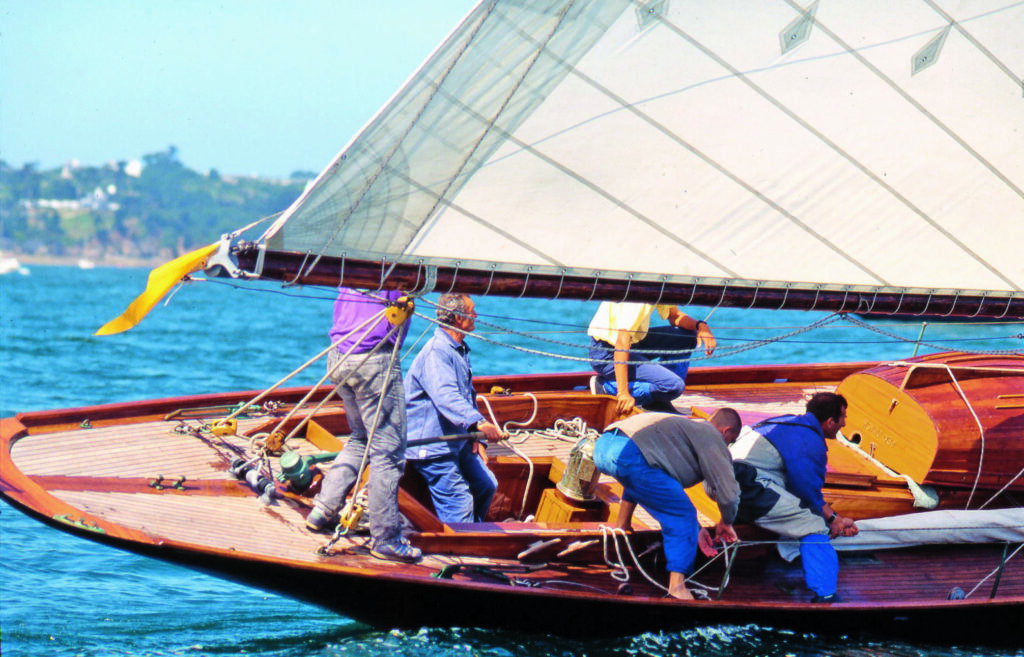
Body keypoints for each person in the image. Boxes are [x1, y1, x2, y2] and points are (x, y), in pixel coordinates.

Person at [306, 287, 422, 563]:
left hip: (339, 356)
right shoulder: (397, 270)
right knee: (388, 452)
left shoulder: (363, 273)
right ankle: (386, 540)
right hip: (373, 359)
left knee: (361, 438)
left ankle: (322, 510)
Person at [592, 409, 742, 600]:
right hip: (630, 455)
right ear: (726, 431)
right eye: (731, 440)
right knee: (683, 515)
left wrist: (696, 528)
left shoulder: (685, 427)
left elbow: (645, 479)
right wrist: (726, 522)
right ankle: (677, 588)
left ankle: (622, 525)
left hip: (604, 446)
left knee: (640, 477)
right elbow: (729, 494)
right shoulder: (712, 436)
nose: (728, 445)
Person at [730, 391, 859, 602]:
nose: (844, 424)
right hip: (747, 486)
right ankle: (825, 594)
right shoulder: (809, 441)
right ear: (829, 422)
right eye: (843, 418)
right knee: (814, 525)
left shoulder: (788, 422)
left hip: (725, 481)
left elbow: (803, 490)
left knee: (799, 509)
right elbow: (806, 491)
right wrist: (832, 520)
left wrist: (834, 518)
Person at [405, 293, 504, 524]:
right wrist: (479, 423)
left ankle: (473, 536)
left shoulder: (457, 349)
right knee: (460, 502)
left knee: (487, 485)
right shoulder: (436, 352)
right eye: (472, 311)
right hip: (431, 444)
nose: (477, 315)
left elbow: (465, 396)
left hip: (455, 439)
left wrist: (475, 438)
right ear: (458, 318)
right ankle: (462, 551)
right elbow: (446, 396)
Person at [587, 301, 716, 415]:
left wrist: (701, 326)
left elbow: (674, 316)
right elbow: (622, 340)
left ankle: (658, 399)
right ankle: (607, 388)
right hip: (607, 354)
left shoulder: (660, 286)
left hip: (634, 344)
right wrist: (623, 393)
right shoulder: (639, 298)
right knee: (674, 386)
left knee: (687, 337)